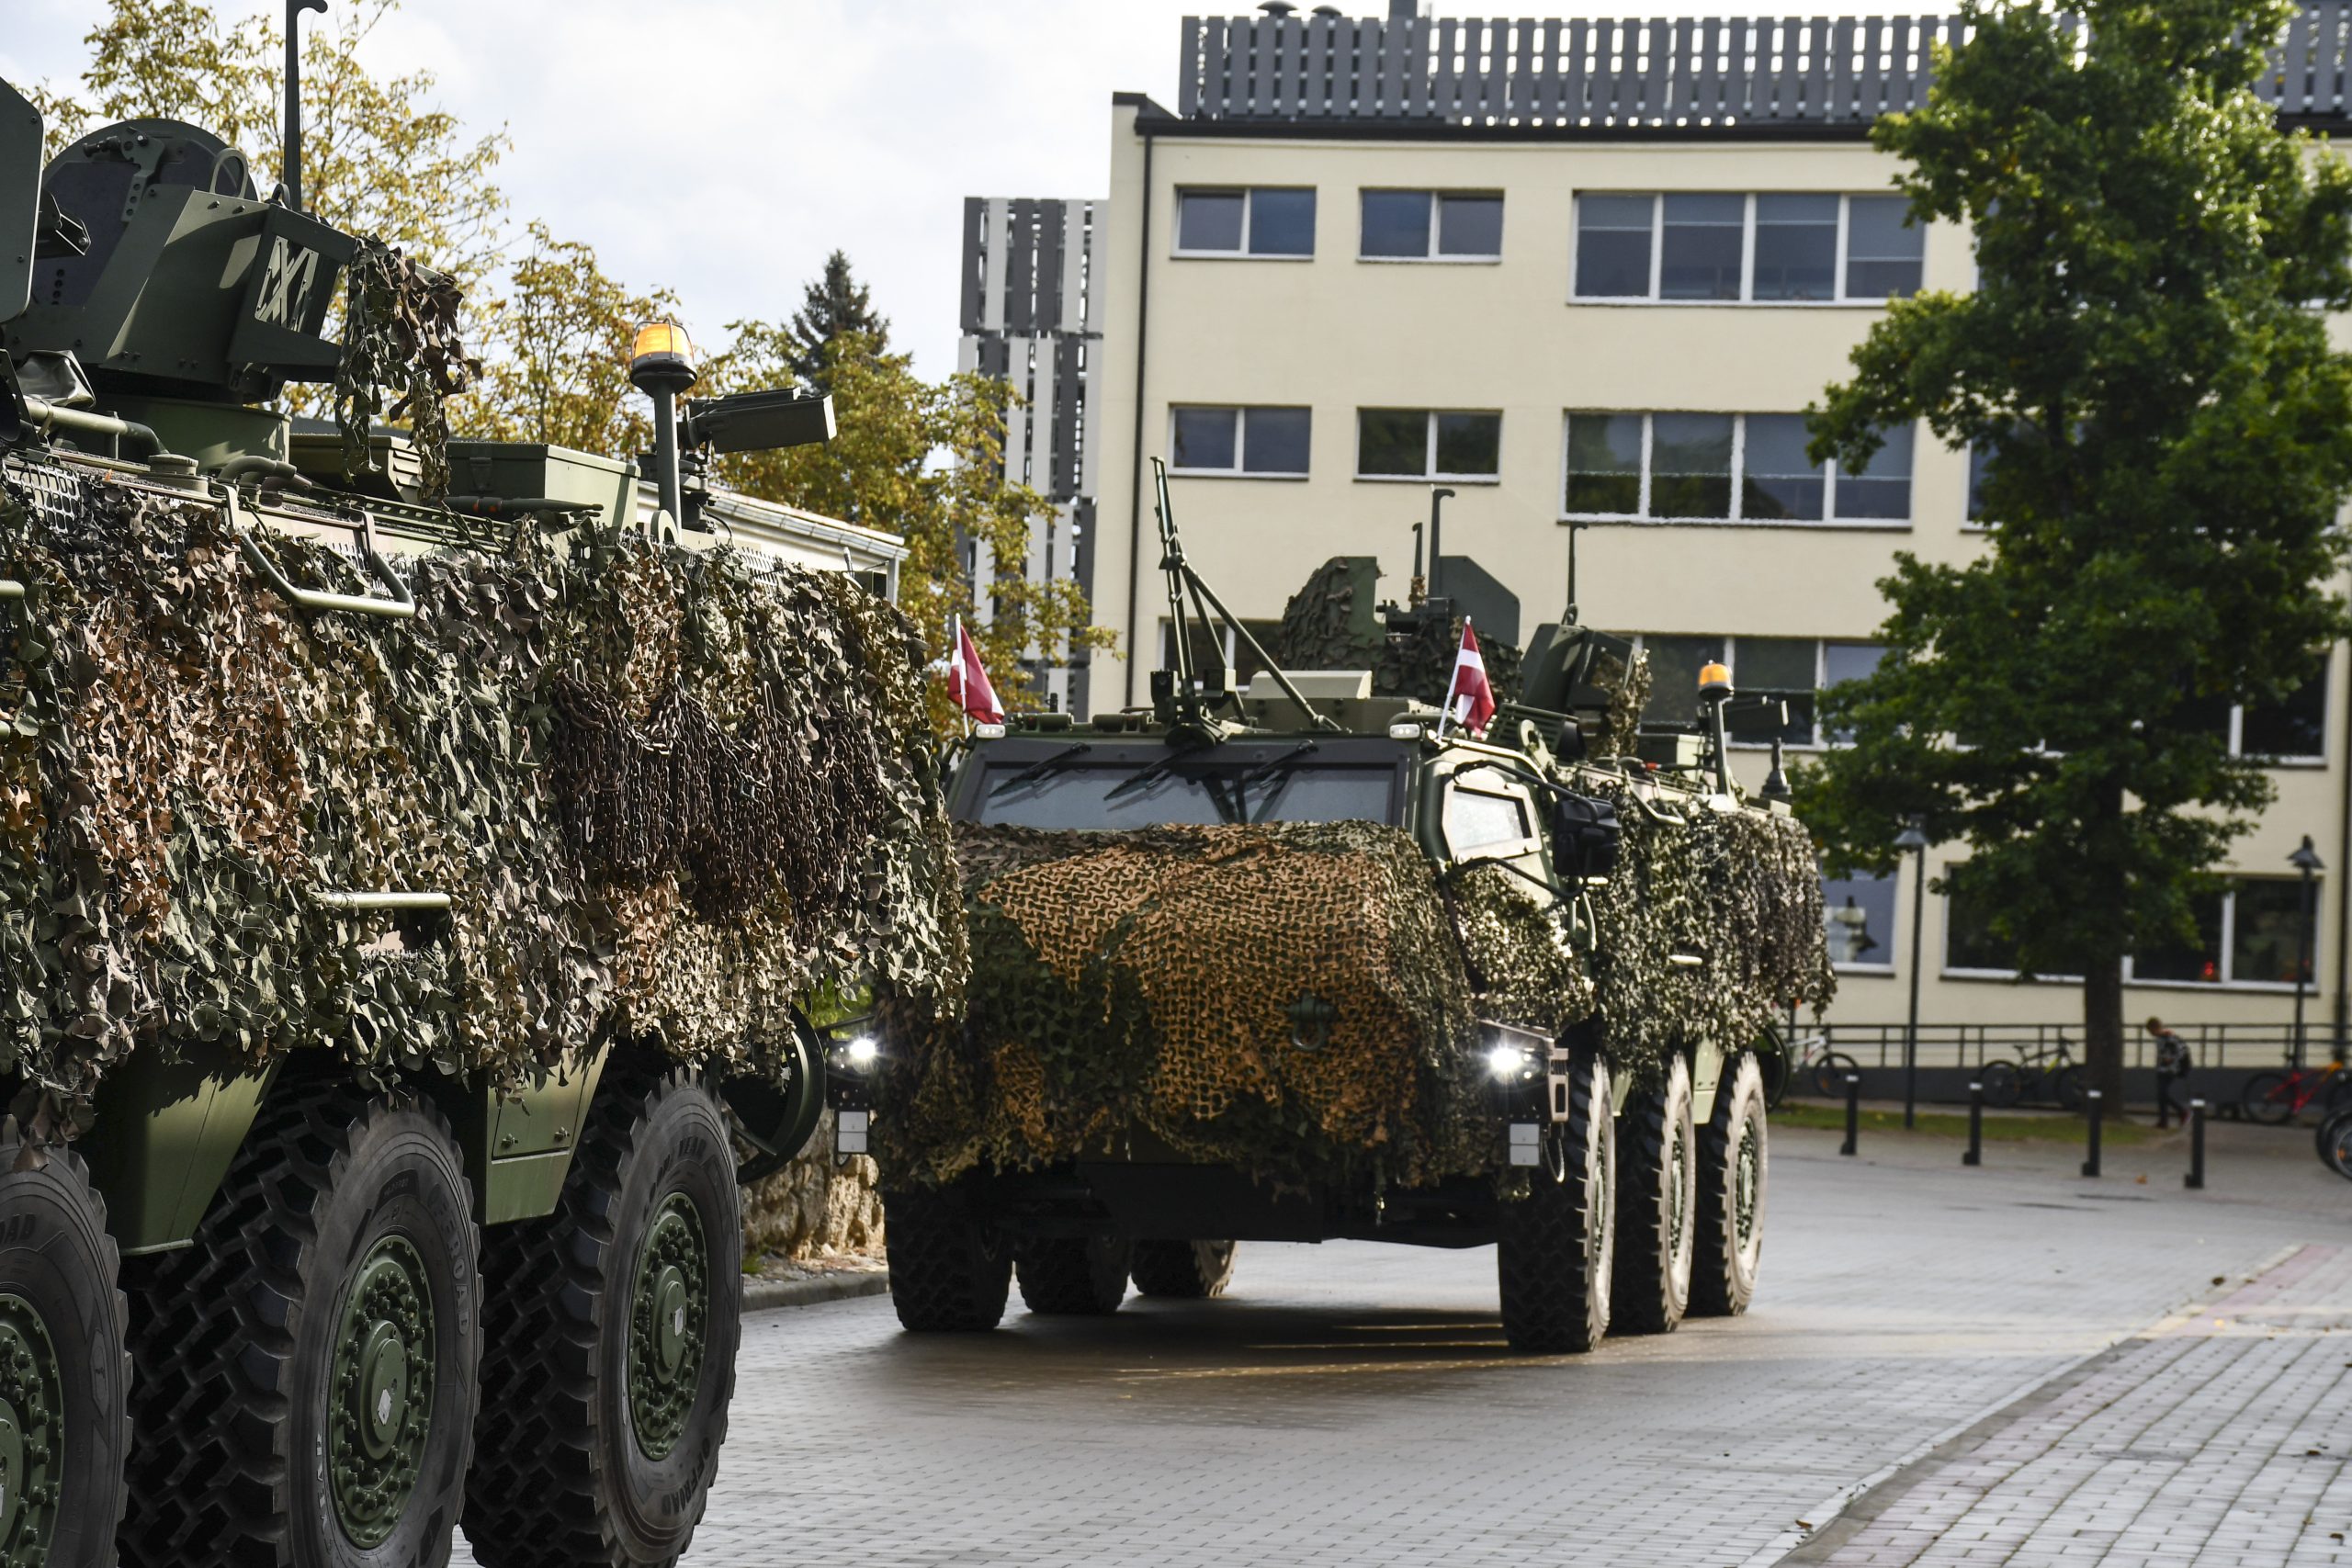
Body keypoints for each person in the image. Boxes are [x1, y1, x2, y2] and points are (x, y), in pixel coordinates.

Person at [2147, 1016, 2192, 1128]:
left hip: (2169, 1070)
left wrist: (2168, 1060)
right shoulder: (2162, 1038)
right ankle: (2163, 1121)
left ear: (2155, 1028)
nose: (2151, 1034)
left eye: (2151, 1031)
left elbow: (2170, 1056)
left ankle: (2183, 1112)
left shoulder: (2167, 1038)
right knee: (2161, 1095)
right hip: (2163, 1069)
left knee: (2163, 1094)